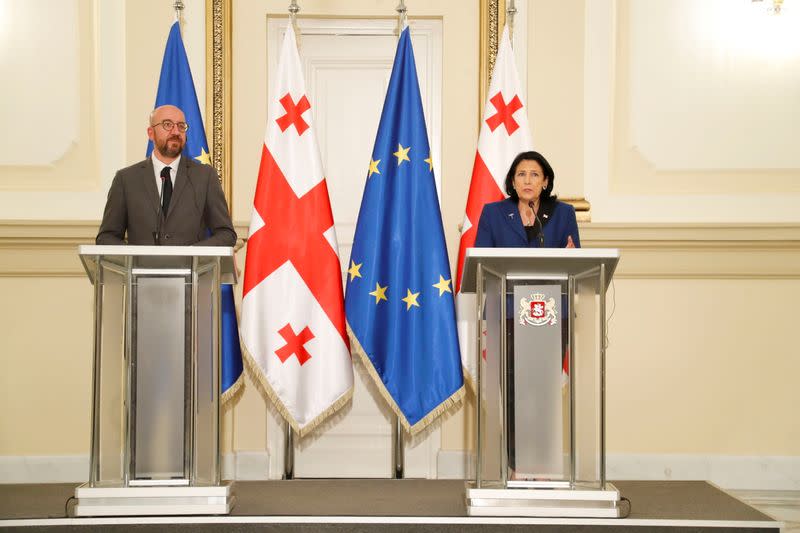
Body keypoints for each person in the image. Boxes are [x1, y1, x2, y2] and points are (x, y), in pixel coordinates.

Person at [96, 105, 236, 247]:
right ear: (151, 133)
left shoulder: (205, 176)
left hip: (191, 268)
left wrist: (193, 254)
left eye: (181, 126)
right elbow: (106, 237)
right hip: (142, 268)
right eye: (167, 125)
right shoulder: (126, 179)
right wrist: (136, 257)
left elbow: (226, 234)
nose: (175, 131)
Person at [474, 151, 579, 249]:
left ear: (545, 182)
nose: (527, 181)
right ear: (513, 182)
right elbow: (481, 261)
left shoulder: (563, 213)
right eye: (521, 174)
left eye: (534, 174)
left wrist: (572, 257)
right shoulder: (492, 213)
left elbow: (576, 262)